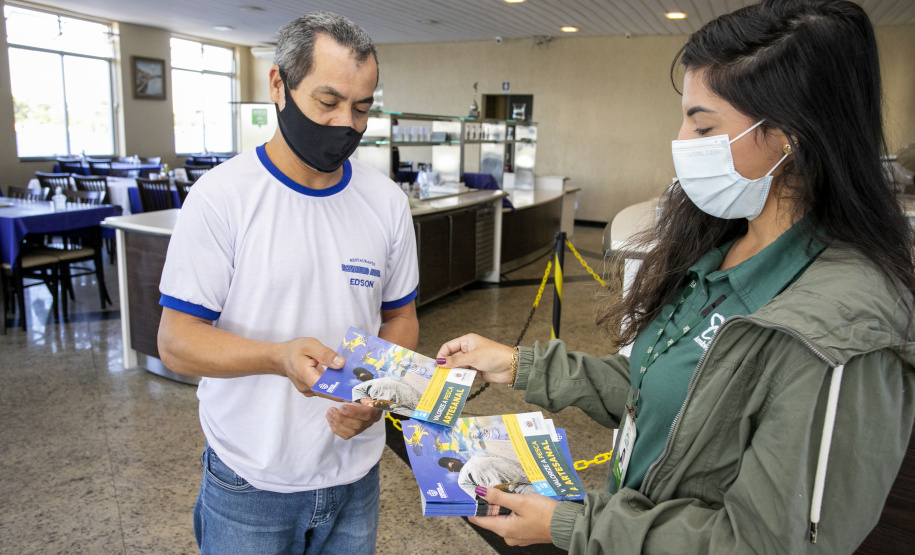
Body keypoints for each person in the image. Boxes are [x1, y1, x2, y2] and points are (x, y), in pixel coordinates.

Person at [435, 1, 915, 552]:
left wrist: (570, 526)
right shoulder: (722, 245)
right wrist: (518, 364)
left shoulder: (844, 330)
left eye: (703, 124)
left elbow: (762, 543)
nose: (683, 142)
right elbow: (660, 393)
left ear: (789, 136)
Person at [156, 12, 419, 554]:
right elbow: (177, 342)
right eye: (328, 102)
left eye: (362, 107)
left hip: (355, 476)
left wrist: (377, 395)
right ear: (278, 85)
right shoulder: (221, 198)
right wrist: (278, 357)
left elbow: (400, 318)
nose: (347, 123)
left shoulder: (387, 203)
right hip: (251, 479)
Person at [438, 455, 538, 497]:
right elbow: (479, 495)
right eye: (447, 464)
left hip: (525, 474)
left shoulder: (476, 457)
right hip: (515, 491)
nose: (450, 463)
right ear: (451, 470)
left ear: (457, 459)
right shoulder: (462, 480)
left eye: (449, 460)